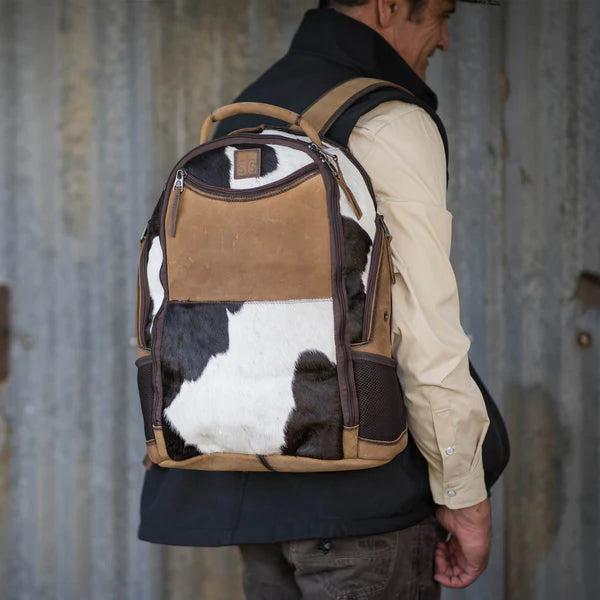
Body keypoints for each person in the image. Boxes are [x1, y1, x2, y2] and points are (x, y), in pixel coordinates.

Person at [139, 1, 502, 597]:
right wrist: (464, 495)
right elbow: (423, 331)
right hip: (365, 505)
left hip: (250, 496)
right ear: (388, 5)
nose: (443, 39)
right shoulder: (385, 119)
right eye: (440, 15)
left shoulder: (242, 114)